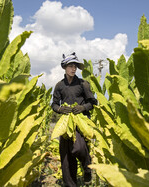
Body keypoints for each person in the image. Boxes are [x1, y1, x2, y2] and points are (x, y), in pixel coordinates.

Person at [51, 52, 97, 186]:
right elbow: (54, 104)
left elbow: (93, 103)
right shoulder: (59, 85)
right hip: (66, 123)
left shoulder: (83, 84)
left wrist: (83, 108)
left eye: (75, 66)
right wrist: (60, 109)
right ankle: (71, 184)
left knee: (79, 148)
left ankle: (87, 167)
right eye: (70, 66)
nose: (73, 69)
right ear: (65, 67)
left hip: (80, 122)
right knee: (66, 157)